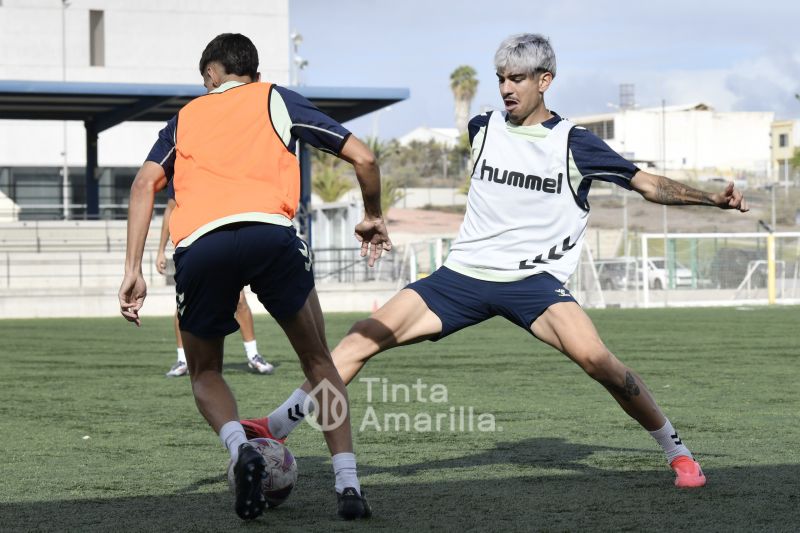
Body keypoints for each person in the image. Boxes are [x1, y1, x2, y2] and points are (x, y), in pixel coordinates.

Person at [241, 33, 750, 490]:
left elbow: (647, 183)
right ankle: (277, 425)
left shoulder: (574, 142)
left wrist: (712, 200)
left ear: (545, 80)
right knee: (361, 336)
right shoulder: (482, 127)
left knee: (602, 365)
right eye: (502, 78)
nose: (507, 88)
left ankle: (678, 453)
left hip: (534, 282)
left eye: (519, 79)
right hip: (460, 277)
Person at [119, 33, 390, 520]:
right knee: (317, 361)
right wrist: (372, 214)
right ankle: (348, 486)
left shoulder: (185, 118)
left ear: (210, 75)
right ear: (254, 73)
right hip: (272, 237)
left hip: (201, 245)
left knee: (204, 372)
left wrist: (132, 269)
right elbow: (365, 158)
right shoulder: (275, 99)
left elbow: (144, 184)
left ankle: (240, 447)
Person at [156, 185, 275, 377]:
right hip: (191, 245)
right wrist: (161, 250)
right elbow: (171, 208)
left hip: (222, 242)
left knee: (239, 300)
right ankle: (182, 359)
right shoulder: (179, 167)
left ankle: (253, 356)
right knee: (183, 305)